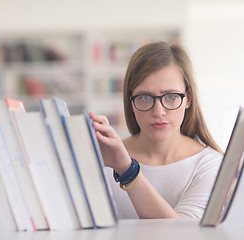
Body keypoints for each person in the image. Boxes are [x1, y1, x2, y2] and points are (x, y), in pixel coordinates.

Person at [89, 41, 223, 220]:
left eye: (171, 97)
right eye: (144, 97)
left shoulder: (211, 165)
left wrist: (127, 171)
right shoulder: (103, 159)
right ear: (131, 102)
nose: (158, 111)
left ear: (188, 99)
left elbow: (183, 234)